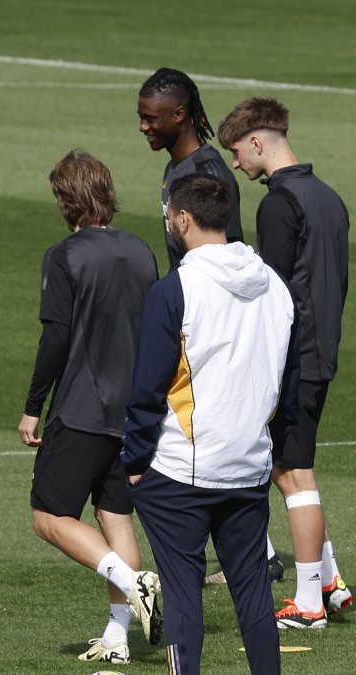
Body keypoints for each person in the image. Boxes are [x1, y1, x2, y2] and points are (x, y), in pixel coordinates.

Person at [122, 174, 296, 675]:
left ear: (183, 219)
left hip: (181, 471)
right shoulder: (276, 288)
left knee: (182, 594)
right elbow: (291, 381)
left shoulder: (175, 289)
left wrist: (134, 463)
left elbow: (149, 388)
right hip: (249, 467)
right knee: (253, 593)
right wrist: (268, 450)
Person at [18, 150, 161, 664]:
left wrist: (34, 405)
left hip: (80, 410)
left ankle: (135, 581)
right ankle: (119, 639)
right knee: (115, 517)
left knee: (49, 516)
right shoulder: (143, 251)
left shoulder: (64, 256)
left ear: (65, 199)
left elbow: (55, 339)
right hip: (137, 412)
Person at [218, 96, 352, 628]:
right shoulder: (329, 196)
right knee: (291, 466)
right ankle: (333, 583)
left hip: (293, 356)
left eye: (236, 152)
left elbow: (269, 292)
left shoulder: (278, 203)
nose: (235, 164)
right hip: (323, 349)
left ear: (257, 142)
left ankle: (310, 602)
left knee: (290, 472)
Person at [137, 67, 245, 273]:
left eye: (150, 119)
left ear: (179, 114)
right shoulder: (174, 167)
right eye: (141, 118)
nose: (142, 127)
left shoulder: (210, 175)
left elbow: (230, 256)